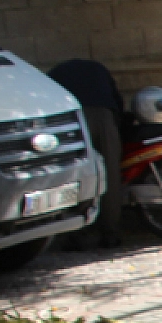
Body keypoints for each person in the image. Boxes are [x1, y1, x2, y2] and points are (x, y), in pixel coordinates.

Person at [48, 59, 125, 247]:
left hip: (77, 120)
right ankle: (110, 233)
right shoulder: (98, 68)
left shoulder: (53, 75)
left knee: (79, 173)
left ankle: (78, 234)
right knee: (111, 174)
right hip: (105, 116)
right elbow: (117, 100)